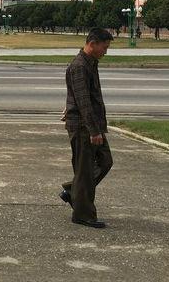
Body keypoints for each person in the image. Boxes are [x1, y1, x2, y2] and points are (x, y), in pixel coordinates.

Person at [59, 27, 114, 229]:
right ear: (93, 44)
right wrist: (94, 131)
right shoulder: (80, 66)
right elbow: (83, 102)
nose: (106, 52)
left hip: (92, 124)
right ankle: (83, 214)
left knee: (105, 161)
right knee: (84, 170)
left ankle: (73, 191)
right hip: (84, 127)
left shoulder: (91, 63)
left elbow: (82, 97)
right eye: (104, 47)